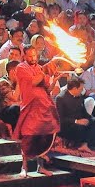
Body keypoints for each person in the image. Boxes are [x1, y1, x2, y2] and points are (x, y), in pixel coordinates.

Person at [13, 46, 61, 177]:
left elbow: (47, 89)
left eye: (34, 56)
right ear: (24, 56)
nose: (33, 58)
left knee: (44, 136)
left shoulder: (39, 68)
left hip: (44, 108)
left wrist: (54, 80)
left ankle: (41, 167)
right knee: (29, 136)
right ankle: (24, 167)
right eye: (30, 56)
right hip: (31, 108)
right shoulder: (21, 68)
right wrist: (45, 70)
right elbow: (34, 82)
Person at [55, 78, 95, 153]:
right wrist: (76, 121)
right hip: (69, 125)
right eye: (81, 89)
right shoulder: (60, 98)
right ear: (75, 88)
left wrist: (90, 119)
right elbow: (60, 119)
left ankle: (85, 144)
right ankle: (81, 143)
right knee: (80, 127)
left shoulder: (79, 96)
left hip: (81, 121)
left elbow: (84, 111)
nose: (82, 91)